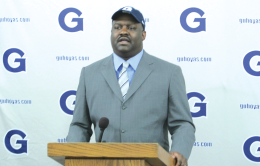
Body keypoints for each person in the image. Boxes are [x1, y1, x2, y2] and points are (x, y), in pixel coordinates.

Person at [67, 6, 195, 166]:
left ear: (143, 34)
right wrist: (72, 155)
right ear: (111, 33)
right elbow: (80, 125)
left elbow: (182, 124)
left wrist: (180, 151)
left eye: (132, 27)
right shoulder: (89, 74)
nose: (123, 31)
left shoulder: (169, 73)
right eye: (117, 27)